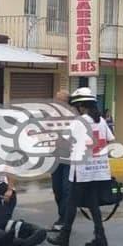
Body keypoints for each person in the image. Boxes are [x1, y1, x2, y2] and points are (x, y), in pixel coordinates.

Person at [48, 87, 114, 246]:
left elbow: (64, 140)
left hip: (82, 170)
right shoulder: (101, 121)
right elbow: (111, 140)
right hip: (98, 169)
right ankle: (100, 236)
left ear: (81, 106)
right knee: (92, 203)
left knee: (71, 202)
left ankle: (64, 237)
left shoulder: (80, 121)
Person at [51, 89, 71, 231]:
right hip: (56, 157)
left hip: (70, 159)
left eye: (60, 100)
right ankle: (62, 216)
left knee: (66, 189)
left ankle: (64, 219)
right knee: (57, 189)